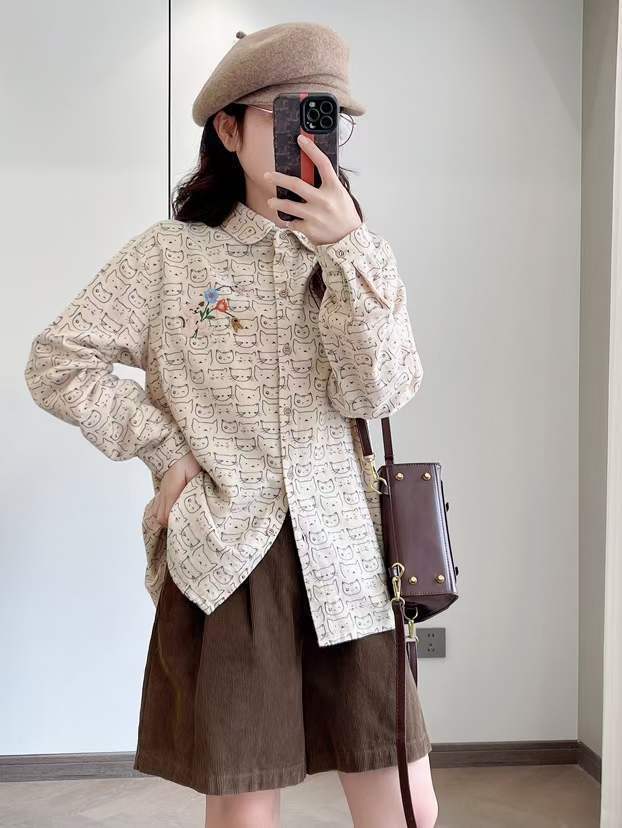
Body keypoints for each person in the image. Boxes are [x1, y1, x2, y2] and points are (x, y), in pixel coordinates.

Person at [24, 21, 439, 828]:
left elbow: (383, 390)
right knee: (245, 811)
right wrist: (165, 451)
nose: (308, 134)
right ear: (228, 128)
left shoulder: (358, 254)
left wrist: (348, 251)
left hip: (348, 559)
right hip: (230, 558)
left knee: (406, 807)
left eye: (324, 115)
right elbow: (57, 361)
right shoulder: (169, 257)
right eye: (288, 112)